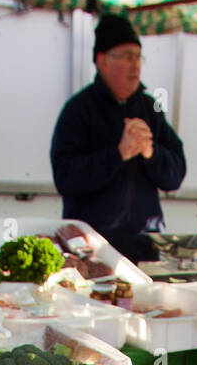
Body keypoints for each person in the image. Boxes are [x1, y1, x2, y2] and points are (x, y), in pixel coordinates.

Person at [50, 14, 187, 264]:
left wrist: (150, 152)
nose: (135, 65)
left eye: (138, 56)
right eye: (126, 56)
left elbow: (175, 176)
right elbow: (65, 178)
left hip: (145, 248)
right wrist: (118, 154)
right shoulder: (78, 110)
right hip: (91, 251)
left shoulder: (151, 108)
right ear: (102, 61)